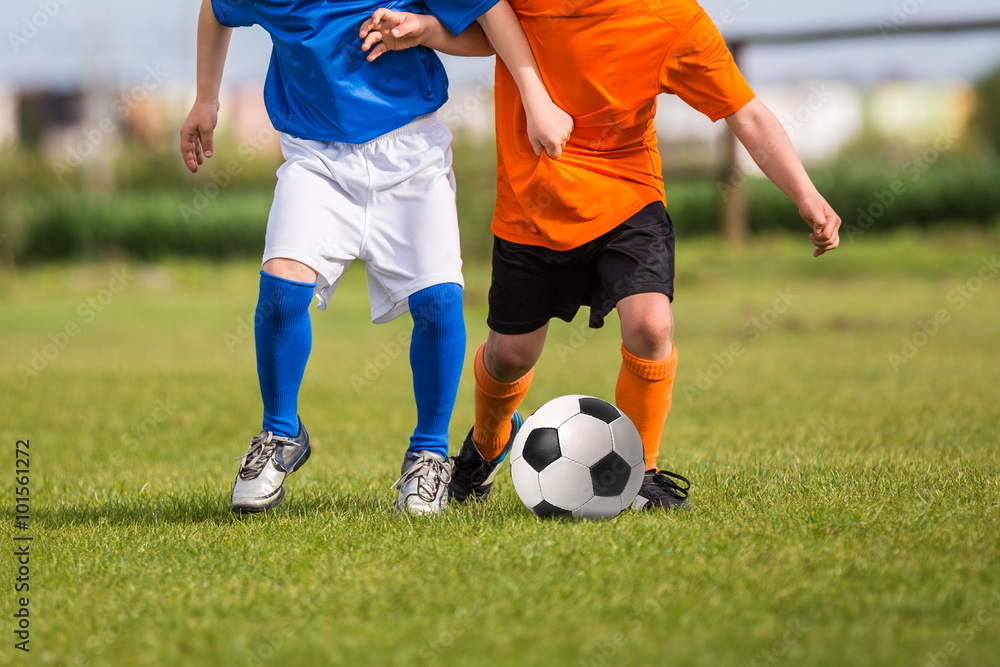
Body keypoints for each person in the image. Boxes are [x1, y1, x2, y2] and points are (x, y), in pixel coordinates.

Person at [360, 0, 841, 511]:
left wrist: (807, 196)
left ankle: (641, 473)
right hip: (534, 202)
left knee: (652, 325)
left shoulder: (674, 20)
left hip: (628, 196)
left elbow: (745, 112)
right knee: (508, 356)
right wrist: (429, 31)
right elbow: (494, 35)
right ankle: (487, 444)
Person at [179, 0, 572, 515]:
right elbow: (216, 7)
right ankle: (280, 435)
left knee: (438, 303)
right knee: (280, 289)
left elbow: (492, 16)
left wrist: (532, 95)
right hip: (314, 157)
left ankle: (428, 454)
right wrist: (205, 100)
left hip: (413, 153)